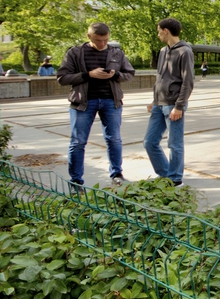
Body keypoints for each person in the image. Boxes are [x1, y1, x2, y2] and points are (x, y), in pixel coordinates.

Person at [56, 22, 135, 189]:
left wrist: (115, 75)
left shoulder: (116, 53)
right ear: (89, 36)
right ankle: (76, 180)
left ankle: (117, 174)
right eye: (98, 40)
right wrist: (88, 75)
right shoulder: (75, 52)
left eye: (105, 40)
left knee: (114, 139)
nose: (102, 44)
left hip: (111, 101)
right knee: (78, 142)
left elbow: (129, 74)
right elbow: (62, 78)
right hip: (83, 103)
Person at [144, 18, 195, 187]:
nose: (158, 35)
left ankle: (175, 179)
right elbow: (160, 78)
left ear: (166, 31)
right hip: (159, 104)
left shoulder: (184, 52)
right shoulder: (163, 51)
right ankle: (166, 174)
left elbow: (188, 81)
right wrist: (154, 100)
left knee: (174, 143)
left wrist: (179, 106)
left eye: (159, 31)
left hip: (174, 105)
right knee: (149, 142)